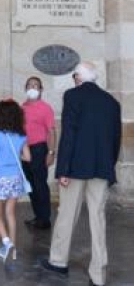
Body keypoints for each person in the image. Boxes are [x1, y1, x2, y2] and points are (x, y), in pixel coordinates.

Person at [40, 62, 122, 286]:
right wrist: (109, 167)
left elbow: (70, 133)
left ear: (78, 77)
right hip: (101, 168)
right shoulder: (112, 102)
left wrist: (62, 169)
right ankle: (98, 275)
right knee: (98, 219)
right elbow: (116, 140)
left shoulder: (73, 96)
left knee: (67, 214)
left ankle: (59, 261)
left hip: (75, 168)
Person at [0, 99, 31, 262]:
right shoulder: (21, 135)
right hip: (15, 178)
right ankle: (13, 250)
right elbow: (27, 157)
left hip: (0, 178)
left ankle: (6, 241)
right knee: (10, 213)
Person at [21, 76, 56, 229]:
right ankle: (38, 216)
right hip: (24, 149)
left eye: (36, 86)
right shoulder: (22, 108)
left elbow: (52, 131)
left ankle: (45, 218)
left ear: (41, 90)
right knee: (30, 184)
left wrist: (51, 152)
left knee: (40, 184)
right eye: (29, 85)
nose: (32, 88)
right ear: (26, 89)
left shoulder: (45, 108)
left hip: (39, 149)